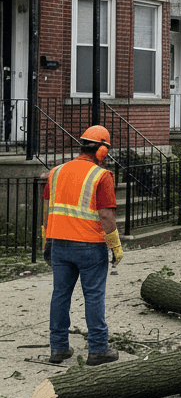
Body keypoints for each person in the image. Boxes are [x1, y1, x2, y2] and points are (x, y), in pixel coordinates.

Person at [42, 126, 123, 366]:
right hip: (90, 246)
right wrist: (116, 247)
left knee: (60, 295)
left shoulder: (56, 171)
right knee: (94, 296)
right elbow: (106, 216)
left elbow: (47, 209)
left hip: (59, 244)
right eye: (106, 150)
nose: (106, 155)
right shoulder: (102, 175)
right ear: (100, 150)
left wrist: (46, 238)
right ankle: (98, 349)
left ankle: (58, 348)